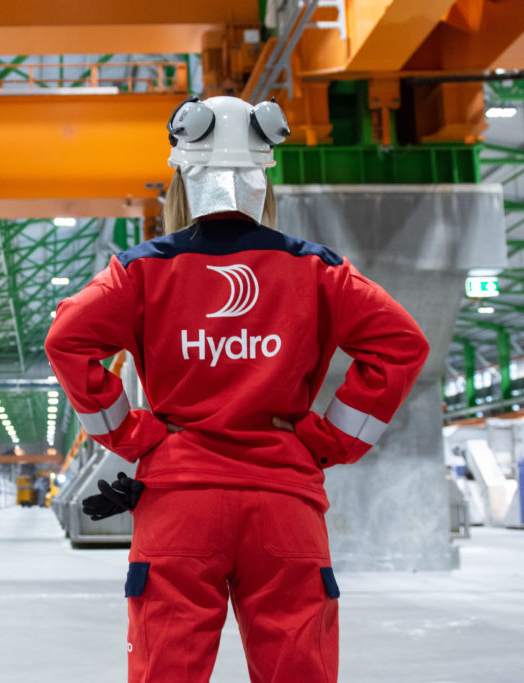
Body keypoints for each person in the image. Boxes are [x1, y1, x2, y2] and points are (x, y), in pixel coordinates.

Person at [44, 95, 429, 683]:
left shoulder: (140, 270)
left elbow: (68, 339)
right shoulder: (319, 271)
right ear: (263, 177)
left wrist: (131, 434)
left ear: (181, 175)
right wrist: (326, 441)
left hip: (179, 505)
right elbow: (401, 343)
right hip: (285, 503)